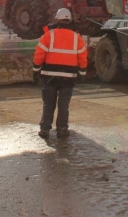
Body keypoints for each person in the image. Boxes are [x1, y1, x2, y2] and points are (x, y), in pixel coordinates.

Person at [32, 8, 88, 139]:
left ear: (57, 19)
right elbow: (83, 57)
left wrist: (35, 71)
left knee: (48, 103)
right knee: (64, 105)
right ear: (69, 20)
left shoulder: (49, 35)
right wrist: (82, 73)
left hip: (49, 77)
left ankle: (45, 129)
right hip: (68, 78)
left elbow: (39, 55)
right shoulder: (77, 37)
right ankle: (62, 130)